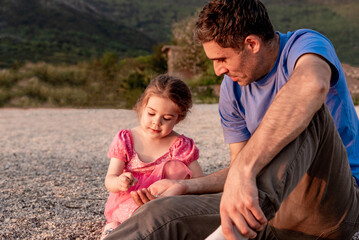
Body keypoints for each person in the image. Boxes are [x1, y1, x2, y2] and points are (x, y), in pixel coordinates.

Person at [104, 0, 359, 239]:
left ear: (252, 44)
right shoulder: (232, 88)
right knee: (159, 214)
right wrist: (185, 187)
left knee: (305, 108)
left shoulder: (304, 44)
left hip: (327, 210)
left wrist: (244, 170)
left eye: (222, 59)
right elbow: (238, 171)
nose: (218, 70)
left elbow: (312, 85)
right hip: (259, 213)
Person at [100, 74, 204, 240]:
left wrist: (177, 190)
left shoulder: (180, 145)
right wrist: (120, 182)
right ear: (142, 107)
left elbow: (199, 181)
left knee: (162, 225)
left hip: (165, 203)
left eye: (167, 118)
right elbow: (109, 180)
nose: (157, 122)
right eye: (151, 114)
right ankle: (116, 232)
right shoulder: (127, 139)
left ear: (179, 118)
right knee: (121, 226)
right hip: (129, 202)